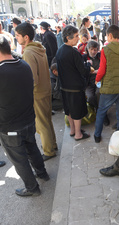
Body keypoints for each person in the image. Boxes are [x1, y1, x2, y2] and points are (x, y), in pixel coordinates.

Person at [0, 35, 49, 196]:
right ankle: (42, 173)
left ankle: (32, 188)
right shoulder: (23, 64)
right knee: (32, 148)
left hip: (10, 125)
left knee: (19, 159)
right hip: (28, 118)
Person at [15, 22, 58, 161]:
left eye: (17, 35)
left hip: (37, 93)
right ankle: (52, 145)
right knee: (47, 121)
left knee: (41, 123)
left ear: (26, 37)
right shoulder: (39, 48)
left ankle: (49, 151)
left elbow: (31, 79)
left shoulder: (28, 52)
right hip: (46, 89)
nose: (16, 38)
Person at [94, 25, 119, 143]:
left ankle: (97, 136)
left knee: (101, 111)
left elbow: (101, 70)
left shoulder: (105, 50)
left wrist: (97, 80)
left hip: (109, 88)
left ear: (110, 36)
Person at [56, 25, 91, 141]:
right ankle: (78, 134)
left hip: (64, 87)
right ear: (68, 38)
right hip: (75, 88)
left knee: (69, 111)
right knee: (77, 112)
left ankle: (72, 130)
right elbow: (83, 71)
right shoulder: (73, 52)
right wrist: (88, 66)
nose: (78, 38)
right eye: (76, 36)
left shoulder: (60, 50)